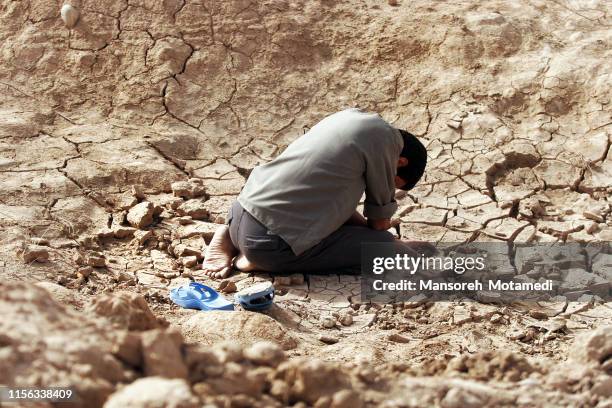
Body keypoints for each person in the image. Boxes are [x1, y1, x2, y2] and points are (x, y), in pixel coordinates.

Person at [199, 108, 428, 279]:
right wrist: (389, 241)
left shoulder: (352, 120)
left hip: (241, 212)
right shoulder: (384, 145)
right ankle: (254, 260)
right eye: (394, 181)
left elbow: (339, 210)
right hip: (268, 242)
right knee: (388, 250)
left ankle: (231, 235)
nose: (389, 184)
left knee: (381, 241)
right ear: (401, 161)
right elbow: (379, 224)